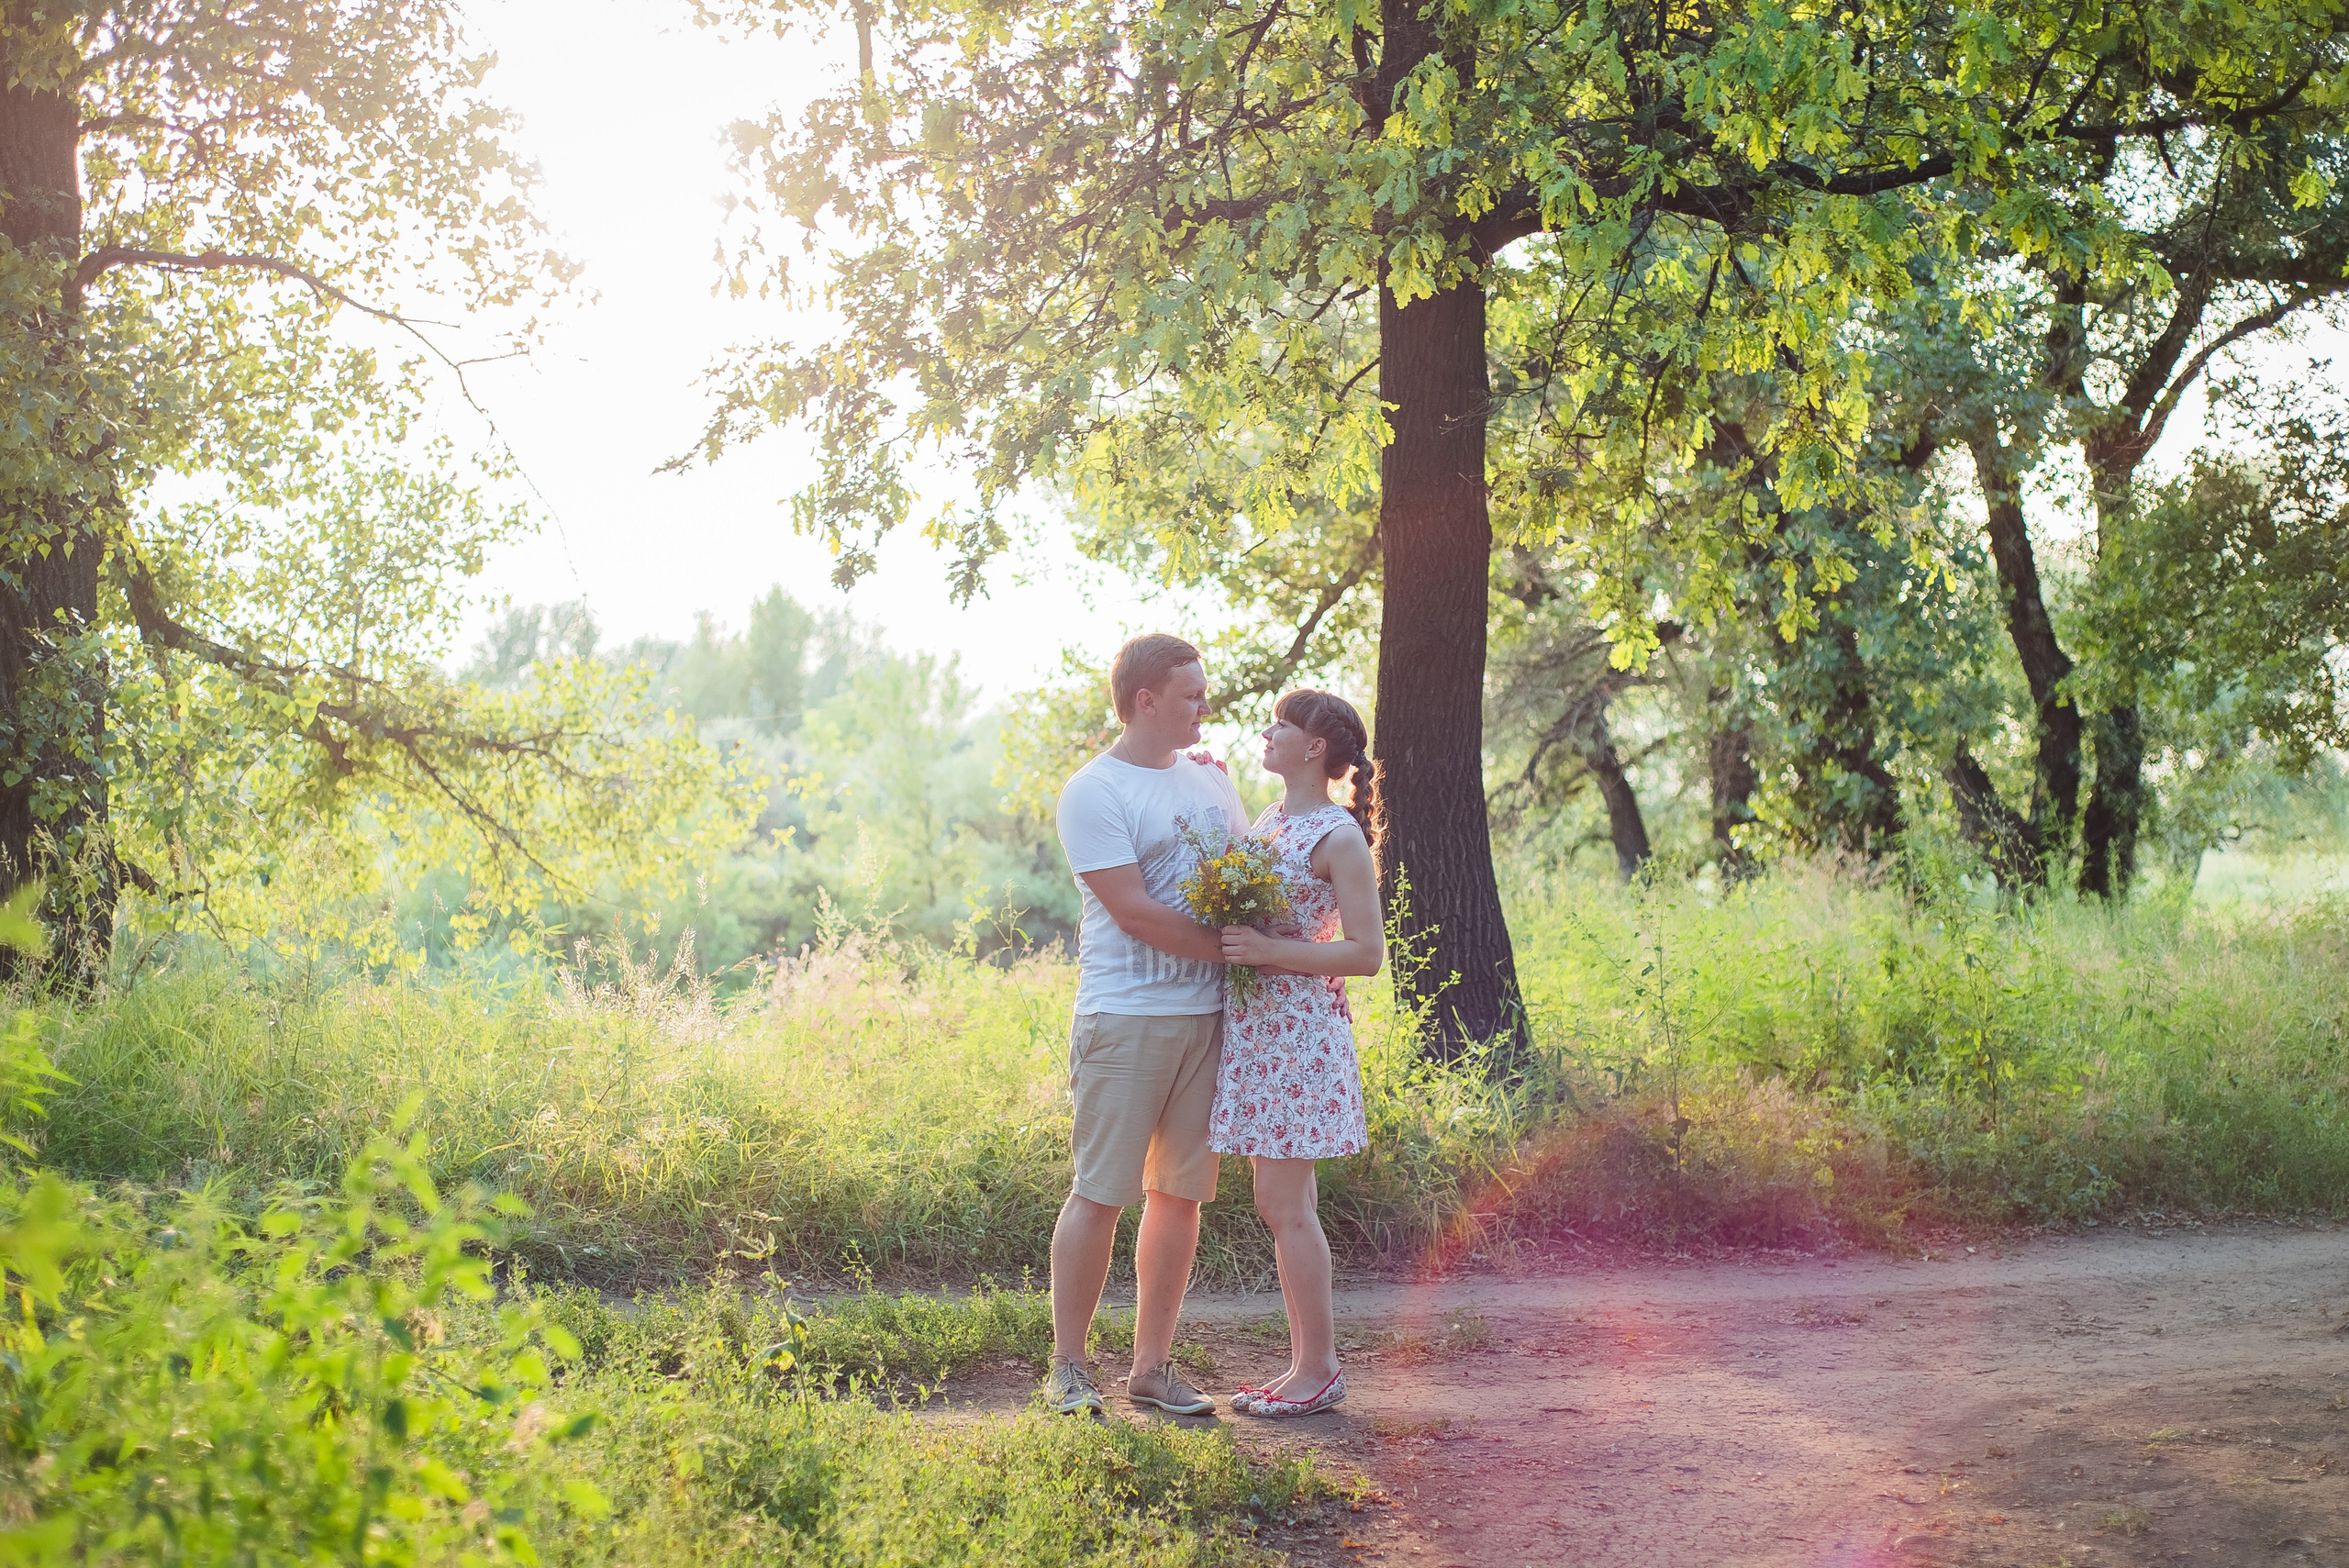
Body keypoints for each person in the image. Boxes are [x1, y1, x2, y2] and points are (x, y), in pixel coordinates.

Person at [1046, 632, 1249, 1417]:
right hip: (1124, 1018)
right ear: (1146, 700)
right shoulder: (1093, 791)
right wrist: (1241, 950)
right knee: (1100, 1193)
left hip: (1208, 1018)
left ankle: (1151, 1369)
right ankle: (1068, 1368)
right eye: (1192, 694)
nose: (1205, 705)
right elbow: (1131, 910)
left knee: (1180, 1197)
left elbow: (1248, 868)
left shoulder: (1210, 779)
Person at [1209, 688, 1384, 1419]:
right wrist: (1212, 784)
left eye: (1281, 724)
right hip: (1263, 1030)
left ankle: (1319, 1368)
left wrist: (1268, 952)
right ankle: (1306, 1364)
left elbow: (1366, 953)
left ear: (1314, 747)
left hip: (1299, 1035)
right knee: (1286, 1202)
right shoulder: (1272, 817)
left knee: (1283, 1203)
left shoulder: (1338, 836)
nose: (1267, 731)